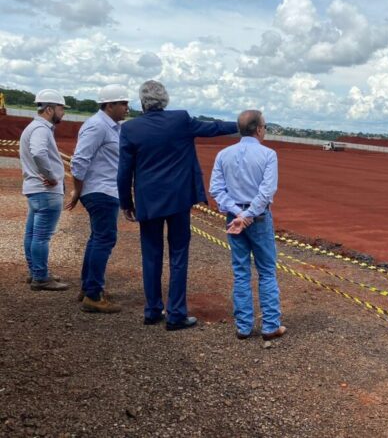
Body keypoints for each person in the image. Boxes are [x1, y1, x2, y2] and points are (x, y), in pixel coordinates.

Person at [117, 80, 238, 330]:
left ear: (142, 102)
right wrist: (242, 125)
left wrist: (126, 202)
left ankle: (152, 310)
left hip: (148, 201)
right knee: (178, 255)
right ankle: (176, 314)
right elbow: (213, 128)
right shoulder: (180, 120)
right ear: (166, 100)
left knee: (151, 256)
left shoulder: (130, 129)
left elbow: (124, 171)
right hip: (179, 200)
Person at [209, 110, 285, 341]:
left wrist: (238, 214)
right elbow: (266, 191)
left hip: (234, 219)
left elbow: (216, 190)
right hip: (258, 218)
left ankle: (243, 326)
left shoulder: (223, 154)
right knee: (266, 271)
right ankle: (270, 325)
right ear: (259, 129)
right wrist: (249, 215)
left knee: (241, 272)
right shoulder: (268, 154)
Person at [66, 84, 130, 313]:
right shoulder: (97, 126)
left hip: (104, 190)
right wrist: (77, 190)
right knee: (104, 239)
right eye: (122, 103)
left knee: (98, 239)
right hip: (100, 191)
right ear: (109, 104)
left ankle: (88, 287)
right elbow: (79, 161)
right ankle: (93, 294)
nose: (126, 107)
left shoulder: (113, 127)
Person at [19, 89, 70, 291]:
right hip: (46, 191)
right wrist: (50, 176)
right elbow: (39, 152)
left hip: (34, 189)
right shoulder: (42, 129)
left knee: (32, 234)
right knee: (41, 236)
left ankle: (36, 272)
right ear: (49, 109)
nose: (63, 112)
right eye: (60, 108)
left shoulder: (32, 127)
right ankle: (41, 276)